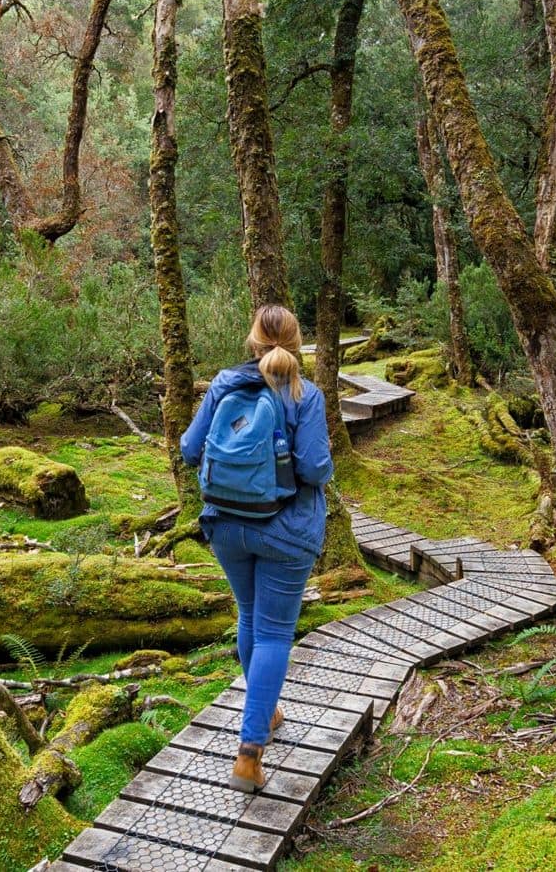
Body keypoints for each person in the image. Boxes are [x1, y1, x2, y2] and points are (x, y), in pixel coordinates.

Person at [180, 304, 333, 793]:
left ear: (252, 341)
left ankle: (263, 715)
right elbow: (313, 470)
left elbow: (189, 448)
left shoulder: (225, 382)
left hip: (226, 524)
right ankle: (248, 755)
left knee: (249, 617)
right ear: (296, 341)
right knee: (272, 634)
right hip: (286, 531)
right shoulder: (305, 395)